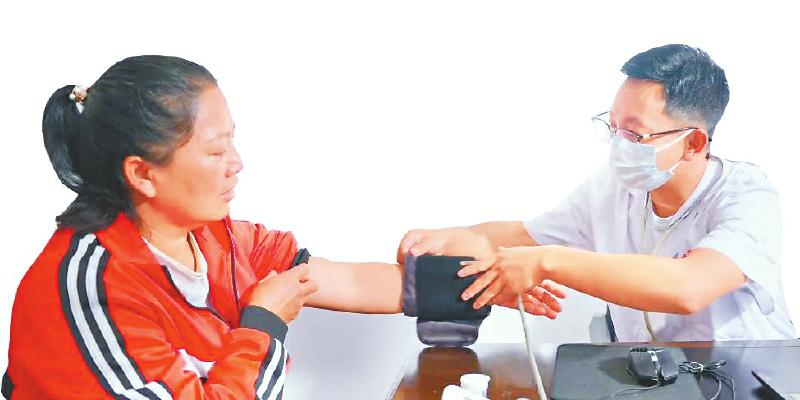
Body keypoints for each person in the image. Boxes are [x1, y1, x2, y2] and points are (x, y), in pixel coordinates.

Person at [2, 55, 561, 400]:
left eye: (233, 142)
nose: (237, 163)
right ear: (142, 174)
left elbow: (348, 281)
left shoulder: (216, 238)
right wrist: (264, 324)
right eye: (215, 150)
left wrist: (484, 281)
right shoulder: (90, 287)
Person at [398, 44, 796, 343]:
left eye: (634, 134)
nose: (619, 145)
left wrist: (548, 262)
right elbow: (526, 236)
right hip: (653, 372)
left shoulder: (748, 195)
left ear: (693, 143)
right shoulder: (615, 186)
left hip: (748, 373)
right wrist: (450, 239)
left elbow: (689, 288)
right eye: (613, 127)